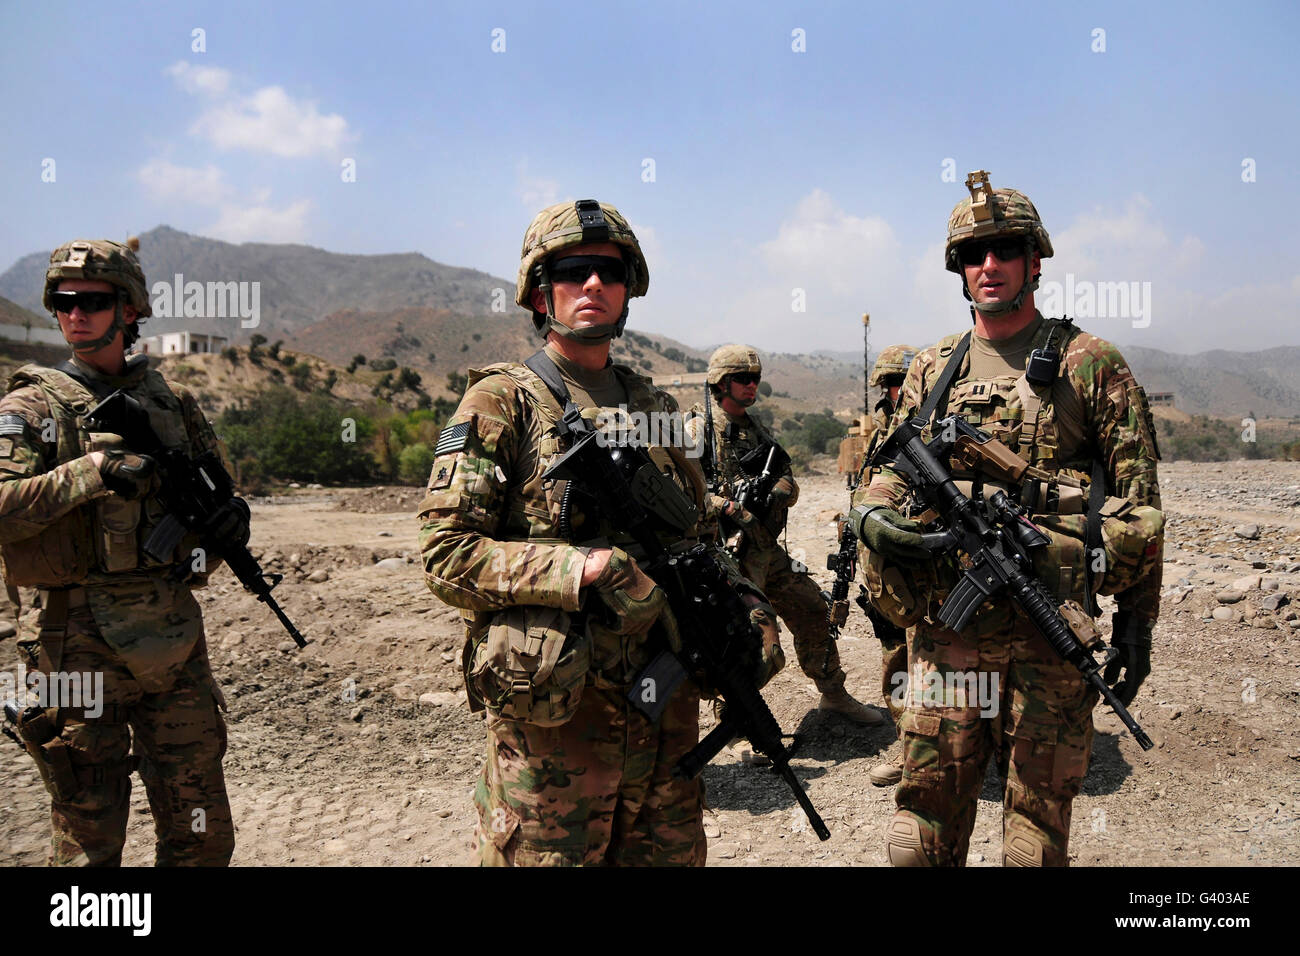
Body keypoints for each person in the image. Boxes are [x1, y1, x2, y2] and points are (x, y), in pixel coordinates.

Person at [418, 200, 778, 866]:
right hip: (558, 726)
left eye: (608, 272)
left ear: (628, 288)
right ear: (538, 289)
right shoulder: (501, 401)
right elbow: (445, 555)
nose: (592, 285)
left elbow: (694, 537)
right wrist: (583, 570)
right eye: (573, 270)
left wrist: (751, 608)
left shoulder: (652, 405)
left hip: (663, 716)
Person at [852, 171, 1164, 866]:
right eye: (972, 255)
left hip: (1050, 640)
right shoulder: (933, 367)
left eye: (1003, 250)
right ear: (958, 270)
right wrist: (872, 516)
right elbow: (885, 476)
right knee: (919, 834)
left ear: (1035, 261)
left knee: (1035, 841)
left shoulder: (1093, 366)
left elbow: (1143, 509)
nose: (986, 266)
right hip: (946, 639)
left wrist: (1137, 628)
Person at [0, 238, 243, 866]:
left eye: (94, 301)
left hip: (172, 644)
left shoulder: (173, 405)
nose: (75, 314)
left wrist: (224, 528)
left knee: (203, 836)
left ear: (130, 310)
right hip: (72, 647)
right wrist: (91, 474)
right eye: (63, 301)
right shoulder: (31, 407)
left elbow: (216, 504)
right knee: (89, 846)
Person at [691, 345, 884, 726]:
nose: (751, 386)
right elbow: (683, 492)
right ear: (719, 382)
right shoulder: (696, 431)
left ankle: (833, 694)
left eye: (756, 379)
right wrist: (729, 507)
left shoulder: (755, 428)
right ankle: (733, 716)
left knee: (813, 609)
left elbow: (787, 477)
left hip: (764, 547)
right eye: (742, 379)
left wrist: (780, 491)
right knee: (746, 635)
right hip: (725, 554)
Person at [848, 344, 916, 786]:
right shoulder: (878, 435)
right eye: (888, 384)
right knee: (894, 651)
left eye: (901, 382)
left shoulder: (929, 428)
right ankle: (908, 742)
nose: (894, 391)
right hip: (882, 565)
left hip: (921, 560)